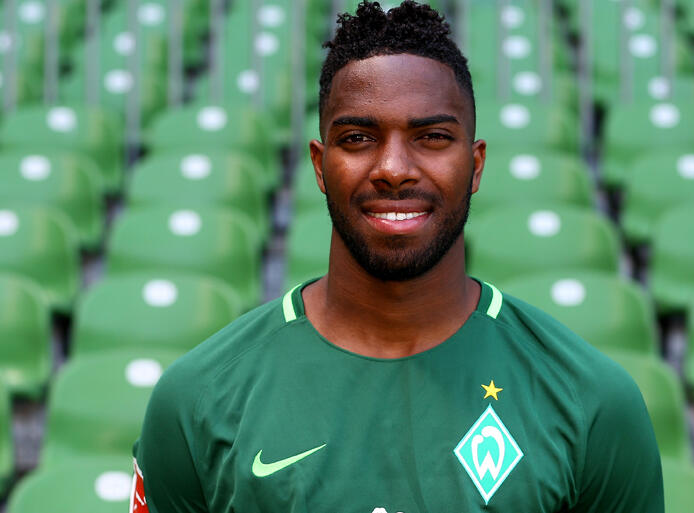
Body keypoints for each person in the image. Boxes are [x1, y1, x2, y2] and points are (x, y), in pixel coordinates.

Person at [132, 2, 664, 511]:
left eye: (431, 137)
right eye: (358, 138)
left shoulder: (590, 401)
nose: (393, 168)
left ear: (475, 164)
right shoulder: (197, 399)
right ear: (319, 165)